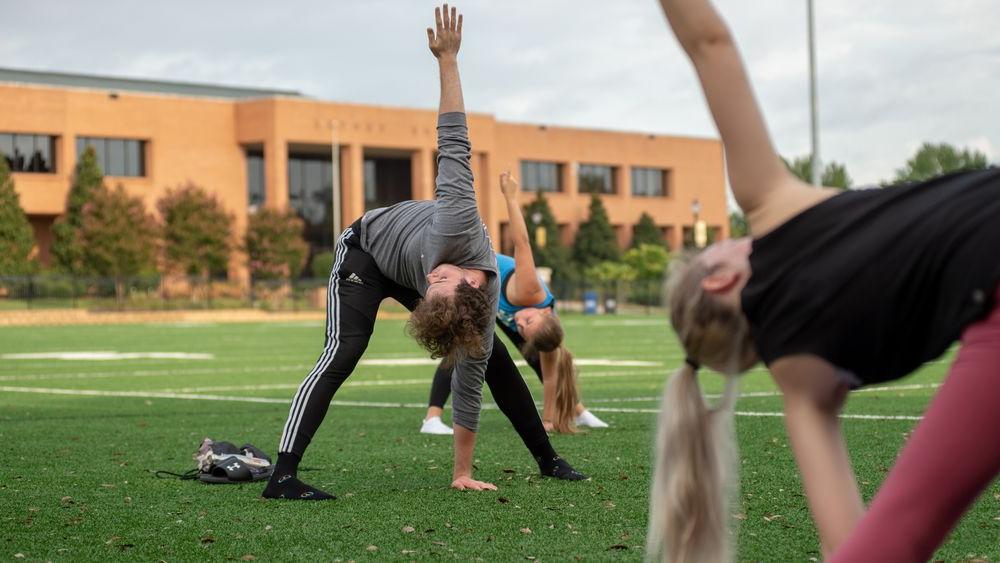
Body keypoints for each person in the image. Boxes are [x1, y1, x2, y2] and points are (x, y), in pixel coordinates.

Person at [646, 0, 1000, 560]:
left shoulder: (801, 385)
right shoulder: (770, 206)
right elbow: (708, 42)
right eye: (715, 247)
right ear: (718, 280)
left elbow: (858, 546)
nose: (735, 236)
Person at [262, 4, 585, 501]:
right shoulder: (457, 220)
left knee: (490, 359)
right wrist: (448, 60)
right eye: (437, 284)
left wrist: (461, 473)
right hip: (366, 251)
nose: (431, 278)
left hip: (407, 263)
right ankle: (283, 474)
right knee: (344, 350)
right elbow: (453, 138)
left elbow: (470, 392)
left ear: (475, 288)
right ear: (466, 282)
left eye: (432, 286)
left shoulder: (465, 299)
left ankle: (548, 459)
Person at [420, 171, 609, 435]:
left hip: (494, 305)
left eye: (522, 329)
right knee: (459, 348)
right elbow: (522, 242)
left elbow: (551, 375)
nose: (520, 324)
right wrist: (510, 197)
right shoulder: (530, 291)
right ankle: (432, 418)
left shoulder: (539, 329)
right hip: (477, 285)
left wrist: (547, 421)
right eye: (527, 321)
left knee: (542, 361)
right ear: (545, 312)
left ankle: (580, 411)